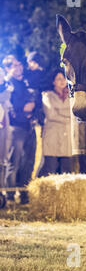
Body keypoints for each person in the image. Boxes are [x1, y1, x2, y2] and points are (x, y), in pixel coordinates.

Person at [2, 54, 39, 204]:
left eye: (20, 65)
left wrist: (33, 109)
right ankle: (10, 196)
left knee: (29, 162)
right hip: (15, 127)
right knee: (14, 162)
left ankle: (24, 194)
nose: (20, 68)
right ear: (7, 68)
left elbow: (35, 99)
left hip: (30, 126)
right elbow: (9, 106)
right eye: (16, 66)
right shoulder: (7, 85)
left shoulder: (26, 81)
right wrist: (23, 108)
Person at [38, 70, 74, 177]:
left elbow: (74, 113)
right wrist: (69, 117)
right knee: (50, 168)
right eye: (59, 79)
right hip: (52, 137)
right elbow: (51, 115)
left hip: (67, 138)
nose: (62, 81)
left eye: (64, 78)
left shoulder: (71, 96)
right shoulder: (47, 96)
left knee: (66, 170)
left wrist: (60, 112)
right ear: (53, 81)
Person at [0, 67, 12, 188]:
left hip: (3, 128)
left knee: (3, 159)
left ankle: (2, 189)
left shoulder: (7, 89)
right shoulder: (6, 91)